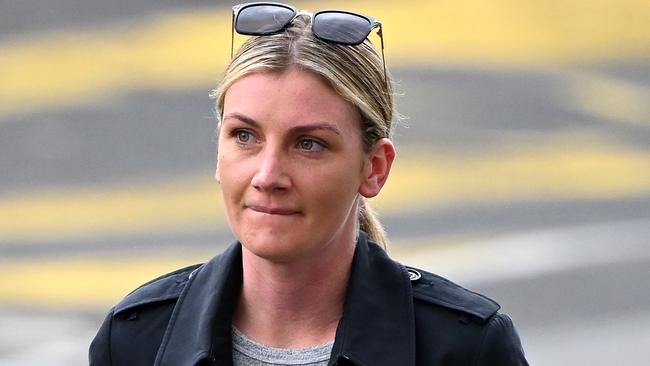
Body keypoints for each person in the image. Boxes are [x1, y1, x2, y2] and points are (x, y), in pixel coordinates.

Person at [89, 2, 529, 365]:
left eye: (309, 144)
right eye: (245, 136)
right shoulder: (135, 342)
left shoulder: (466, 349)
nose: (268, 176)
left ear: (374, 168)